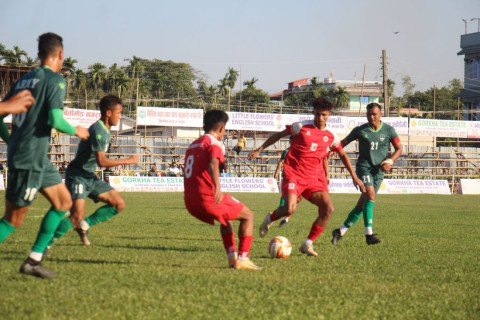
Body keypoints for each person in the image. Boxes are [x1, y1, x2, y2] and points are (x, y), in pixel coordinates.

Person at [0, 32, 90, 279]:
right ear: (60, 54)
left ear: (39, 54)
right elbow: (55, 119)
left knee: (63, 203)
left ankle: (33, 260)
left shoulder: (22, 81)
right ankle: (32, 260)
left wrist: (11, 140)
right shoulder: (56, 81)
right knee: (13, 220)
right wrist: (77, 130)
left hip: (35, 156)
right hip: (29, 158)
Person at [248, 97, 365, 257]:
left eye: (324, 115)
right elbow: (278, 135)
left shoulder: (331, 136)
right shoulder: (301, 127)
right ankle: (270, 218)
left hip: (315, 178)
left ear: (329, 115)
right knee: (290, 208)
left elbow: (343, 154)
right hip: (294, 174)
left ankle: (307, 243)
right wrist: (259, 149)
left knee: (328, 208)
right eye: (317, 114)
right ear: (313, 113)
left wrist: (354, 177)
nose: (320, 118)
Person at [46, 95, 139, 251]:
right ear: (108, 113)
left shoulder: (105, 130)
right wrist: (128, 160)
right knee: (75, 216)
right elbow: (102, 161)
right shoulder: (99, 130)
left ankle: (85, 225)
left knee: (118, 204)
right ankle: (45, 246)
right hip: (78, 176)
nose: (120, 116)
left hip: (89, 176)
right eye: (119, 112)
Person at [183, 110, 260, 270]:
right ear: (221, 128)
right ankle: (244, 258)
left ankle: (233, 259)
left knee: (226, 220)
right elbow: (213, 162)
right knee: (248, 216)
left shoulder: (193, 144)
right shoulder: (215, 143)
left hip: (190, 202)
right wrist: (217, 185)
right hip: (208, 198)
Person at [331, 102, 402, 245]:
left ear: (381, 114)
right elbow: (342, 143)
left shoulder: (389, 130)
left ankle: (340, 231)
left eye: (374, 114)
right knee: (370, 194)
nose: (371, 117)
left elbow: (399, 148)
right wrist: (328, 151)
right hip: (364, 168)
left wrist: (390, 161)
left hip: (379, 171)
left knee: (362, 204)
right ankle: (369, 235)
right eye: (369, 114)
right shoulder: (360, 130)